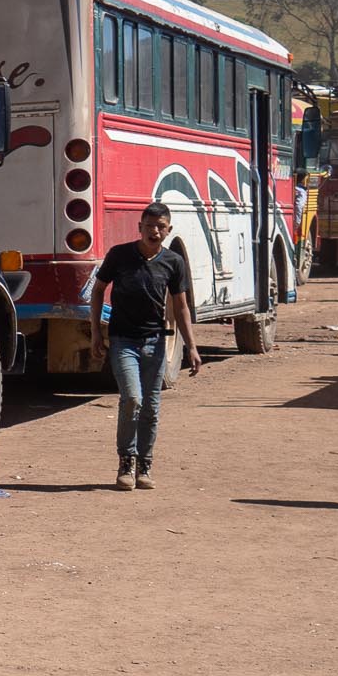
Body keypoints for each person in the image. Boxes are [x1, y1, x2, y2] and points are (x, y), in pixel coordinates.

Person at [90, 202, 200, 491]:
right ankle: (126, 461)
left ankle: (144, 466)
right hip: (123, 340)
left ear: (169, 230)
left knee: (151, 407)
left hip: (155, 344)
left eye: (161, 226)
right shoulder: (120, 255)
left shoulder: (173, 262)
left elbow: (181, 305)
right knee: (132, 398)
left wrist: (191, 346)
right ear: (139, 227)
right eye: (149, 225)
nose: (154, 231)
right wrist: (95, 334)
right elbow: (98, 289)